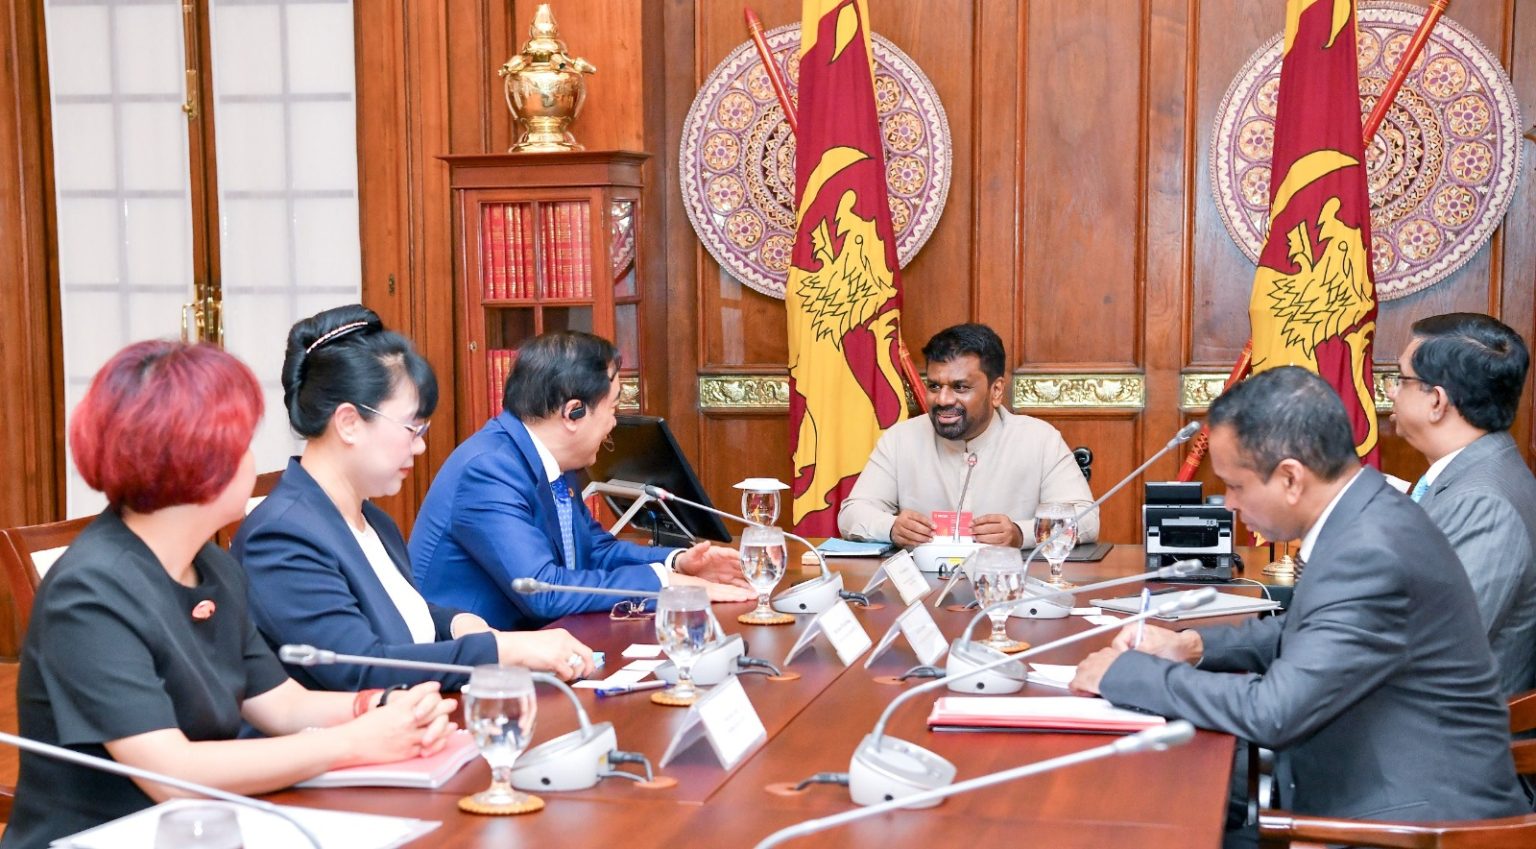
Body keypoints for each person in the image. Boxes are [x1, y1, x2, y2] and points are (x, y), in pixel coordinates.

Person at [3, 341, 456, 849]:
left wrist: (381, 705)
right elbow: (171, 774)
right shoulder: (89, 592)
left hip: (205, 829)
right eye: (240, 444)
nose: (252, 461)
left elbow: (283, 706)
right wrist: (353, 742)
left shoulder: (212, 566)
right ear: (193, 460)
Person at [1070, 367, 1526, 840]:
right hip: (1364, 790)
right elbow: (1306, 631)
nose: (1228, 505)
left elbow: (1273, 712)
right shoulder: (1363, 513)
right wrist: (1190, 646)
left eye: (1235, 486)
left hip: (1413, 828)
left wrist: (1125, 674)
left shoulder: (1370, 549)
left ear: (1290, 477)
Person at [234, 306, 595, 690]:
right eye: (412, 428)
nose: (420, 446)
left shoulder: (374, 521)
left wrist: (453, 622)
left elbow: (398, 618)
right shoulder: (281, 537)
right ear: (349, 423)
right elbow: (360, 667)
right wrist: (501, 650)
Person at [410, 331, 753, 630]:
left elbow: (595, 551)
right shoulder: (489, 471)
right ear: (573, 412)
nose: (614, 423)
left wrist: (677, 563)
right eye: (612, 408)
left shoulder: (552, 461)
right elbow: (544, 590)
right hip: (473, 666)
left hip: (544, 643)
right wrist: (665, 583)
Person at [837, 323, 1097, 548]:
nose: (943, 400)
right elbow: (852, 514)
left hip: (1007, 582)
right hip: (925, 584)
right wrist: (892, 528)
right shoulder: (900, 439)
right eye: (934, 386)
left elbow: (1086, 520)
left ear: (996, 391)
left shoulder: (1040, 440)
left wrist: (1021, 534)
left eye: (960, 387)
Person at [1389, 312, 1536, 697]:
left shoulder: (1485, 504)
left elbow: (1431, 651)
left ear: (1436, 401)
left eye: (1401, 379)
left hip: (1438, 723)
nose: (1391, 392)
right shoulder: (1470, 474)